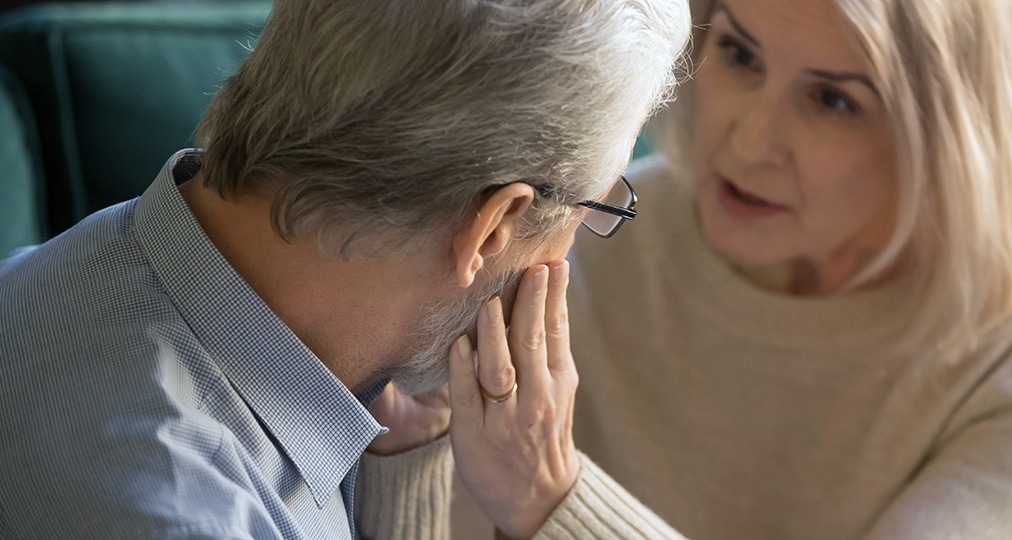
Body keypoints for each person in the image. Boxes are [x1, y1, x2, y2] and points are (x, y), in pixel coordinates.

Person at [454, 0, 1012, 537]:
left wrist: (553, 501)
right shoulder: (582, 234)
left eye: (833, 99)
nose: (749, 141)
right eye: (740, 54)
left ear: (963, 135)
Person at [0, 0, 692, 538]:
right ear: (493, 226)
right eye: (596, 203)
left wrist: (406, 460)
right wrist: (549, 492)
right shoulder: (199, 514)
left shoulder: (57, 280)